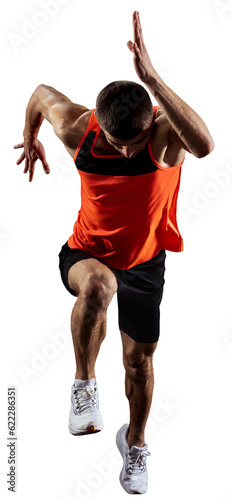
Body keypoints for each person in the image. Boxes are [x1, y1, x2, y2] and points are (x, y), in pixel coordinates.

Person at [13, 10, 214, 495]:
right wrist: (32, 135)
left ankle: (137, 442)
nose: (125, 153)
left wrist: (153, 79)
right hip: (85, 252)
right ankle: (83, 386)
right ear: (96, 124)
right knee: (100, 285)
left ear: (154, 125)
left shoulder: (166, 139)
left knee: (139, 364)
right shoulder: (76, 128)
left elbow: (204, 145)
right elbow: (41, 93)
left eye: (134, 143)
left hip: (145, 262)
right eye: (114, 142)